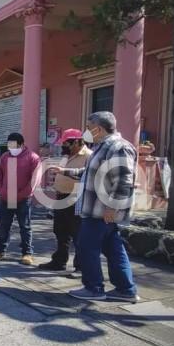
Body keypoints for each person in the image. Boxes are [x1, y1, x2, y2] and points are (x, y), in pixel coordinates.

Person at [51, 111, 139, 302]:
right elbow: (88, 172)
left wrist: (112, 207)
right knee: (114, 250)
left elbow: (124, 181)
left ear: (98, 128)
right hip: (96, 210)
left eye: (89, 127)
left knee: (86, 248)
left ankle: (94, 288)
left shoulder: (119, 148)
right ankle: (126, 290)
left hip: (102, 212)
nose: (87, 131)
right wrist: (65, 171)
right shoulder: (102, 147)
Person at [38, 129, 92, 274]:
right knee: (60, 231)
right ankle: (59, 261)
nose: (63, 146)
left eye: (66, 143)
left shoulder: (89, 156)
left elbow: (87, 178)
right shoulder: (67, 155)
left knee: (78, 234)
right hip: (61, 197)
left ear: (76, 141)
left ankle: (81, 267)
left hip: (76, 199)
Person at [0, 133, 41, 266]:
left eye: (14, 145)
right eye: (9, 145)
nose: (11, 148)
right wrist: (0, 190)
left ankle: (27, 253)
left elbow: (34, 180)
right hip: (6, 197)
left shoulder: (33, 158)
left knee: (25, 226)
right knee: (4, 225)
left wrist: (23, 194)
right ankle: (0, 251)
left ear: (22, 144)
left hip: (23, 199)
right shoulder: (5, 157)